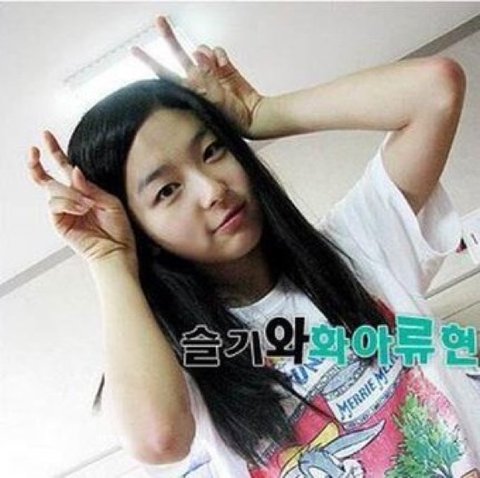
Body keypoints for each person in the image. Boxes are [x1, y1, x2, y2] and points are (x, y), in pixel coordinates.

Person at [28, 15, 480, 478]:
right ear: (141, 231)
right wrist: (108, 259)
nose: (212, 190)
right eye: (167, 191)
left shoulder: (357, 244)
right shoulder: (193, 356)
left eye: (212, 151)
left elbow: (436, 90)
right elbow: (157, 439)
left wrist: (263, 114)